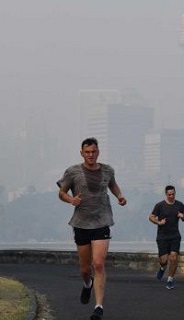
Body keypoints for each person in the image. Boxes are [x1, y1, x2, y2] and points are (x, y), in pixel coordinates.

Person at [57, 137, 127, 320]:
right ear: (82, 153)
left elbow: (113, 185)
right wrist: (71, 200)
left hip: (102, 221)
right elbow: (61, 192)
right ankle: (87, 285)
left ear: (98, 152)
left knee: (98, 264)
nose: (90, 155)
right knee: (85, 269)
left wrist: (120, 196)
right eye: (87, 152)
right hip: (81, 223)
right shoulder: (72, 172)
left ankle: (98, 306)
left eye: (93, 152)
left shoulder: (107, 170)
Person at [149, 185, 184, 289]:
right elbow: (151, 217)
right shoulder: (160, 205)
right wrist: (159, 222)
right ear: (166, 194)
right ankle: (162, 268)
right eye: (169, 194)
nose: (171, 196)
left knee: (174, 258)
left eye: (173, 194)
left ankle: (170, 280)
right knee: (164, 260)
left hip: (175, 235)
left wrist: (182, 216)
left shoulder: (180, 205)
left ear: (175, 193)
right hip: (162, 236)